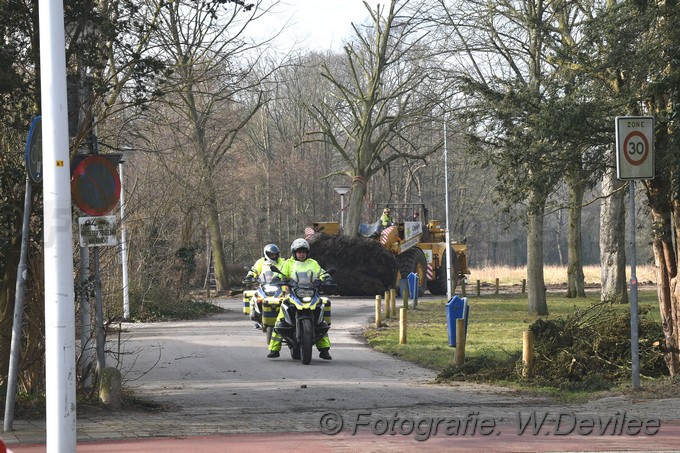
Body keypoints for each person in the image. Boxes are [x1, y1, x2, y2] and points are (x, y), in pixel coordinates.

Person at [267, 238, 333, 360]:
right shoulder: (288, 263)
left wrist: (326, 278)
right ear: (294, 252)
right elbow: (280, 273)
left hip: (311, 293)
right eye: (299, 251)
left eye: (303, 251)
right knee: (280, 318)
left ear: (307, 252)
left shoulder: (313, 263)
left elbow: (321, 272)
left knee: (320, 319)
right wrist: (277, 279)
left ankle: (324, 350)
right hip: (293, 294)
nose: (301, 254)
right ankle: (274, 349)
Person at [243, 244, 285, 319]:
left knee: (286, 299)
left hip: (278, 285)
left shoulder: (282, 261)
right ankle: (255, 314)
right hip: (264, 284)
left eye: (275, 254)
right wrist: (250, 276)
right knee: (255, 297)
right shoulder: (261, 262)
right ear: (267, 254)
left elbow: (287, 269)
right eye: (271, 254)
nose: (273, 256)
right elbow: (254, 270)